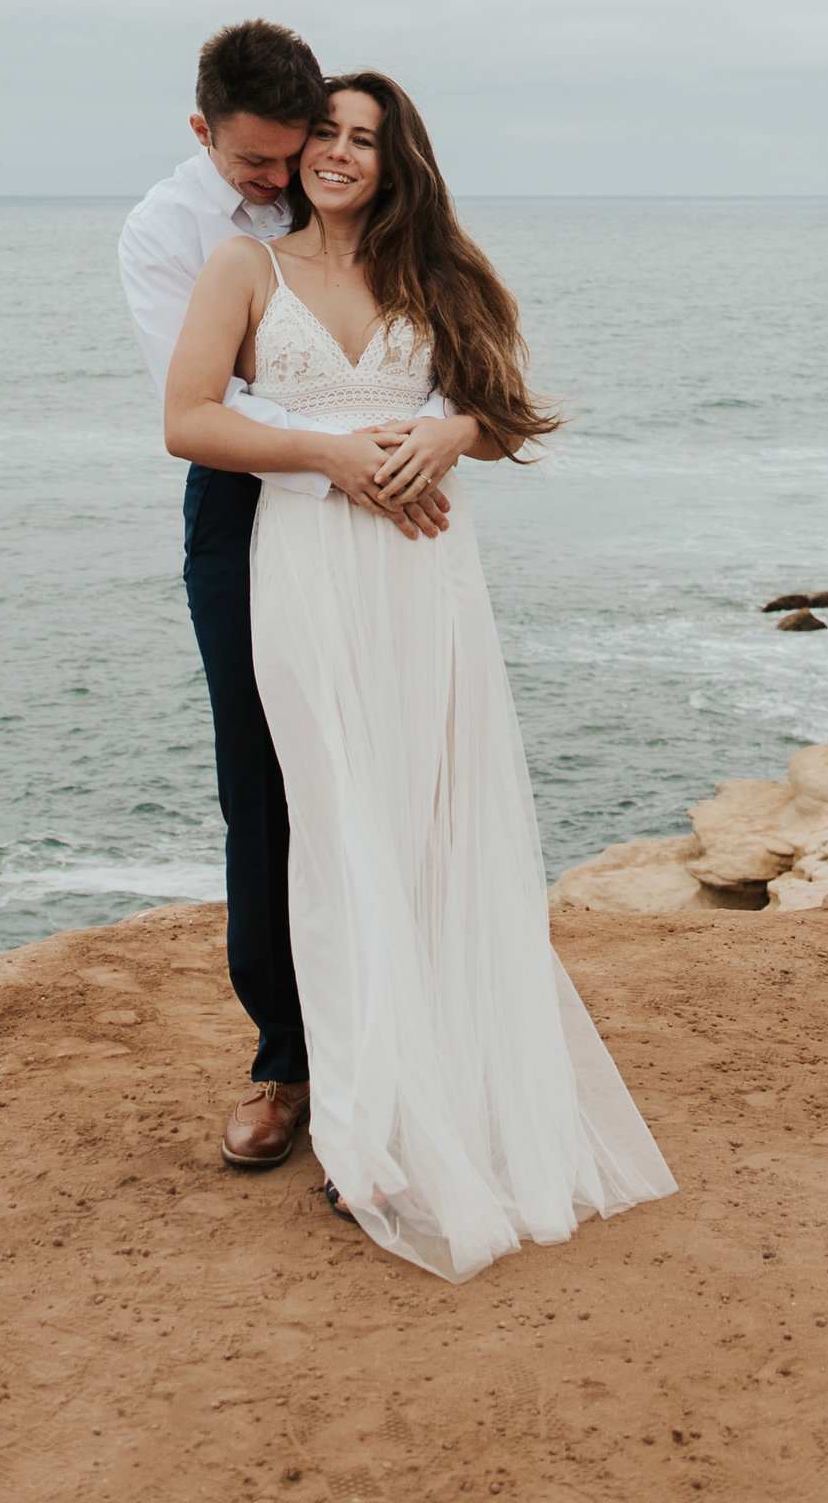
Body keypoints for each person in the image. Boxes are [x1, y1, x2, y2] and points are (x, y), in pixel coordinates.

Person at [163, 70, 676, 1282]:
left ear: (400, 160)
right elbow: (187, 420)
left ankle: (433, 1087)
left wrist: (450, 431)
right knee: (335, 836)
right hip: (306, 569)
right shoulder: (247, 266)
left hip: (425, 582)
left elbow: (505, 413)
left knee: (430, 827)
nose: (338, 154)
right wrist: (328, 454)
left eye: (363, 139)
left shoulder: (439, 273)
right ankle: (354, 1127)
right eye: (325, 135)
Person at [118, 22, 451, 1177]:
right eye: (254, 165)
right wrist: (351, 451)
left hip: (383, 506)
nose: (276, 182)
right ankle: (287, 1062)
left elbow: (468, 374)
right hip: (244, 507)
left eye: (298, 149)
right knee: (264, 786)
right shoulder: (170, 235)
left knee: (404, 770)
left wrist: (436, 436)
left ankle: (416, 1028)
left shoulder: (373, 218)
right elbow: (210, 406)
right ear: (203, 131)